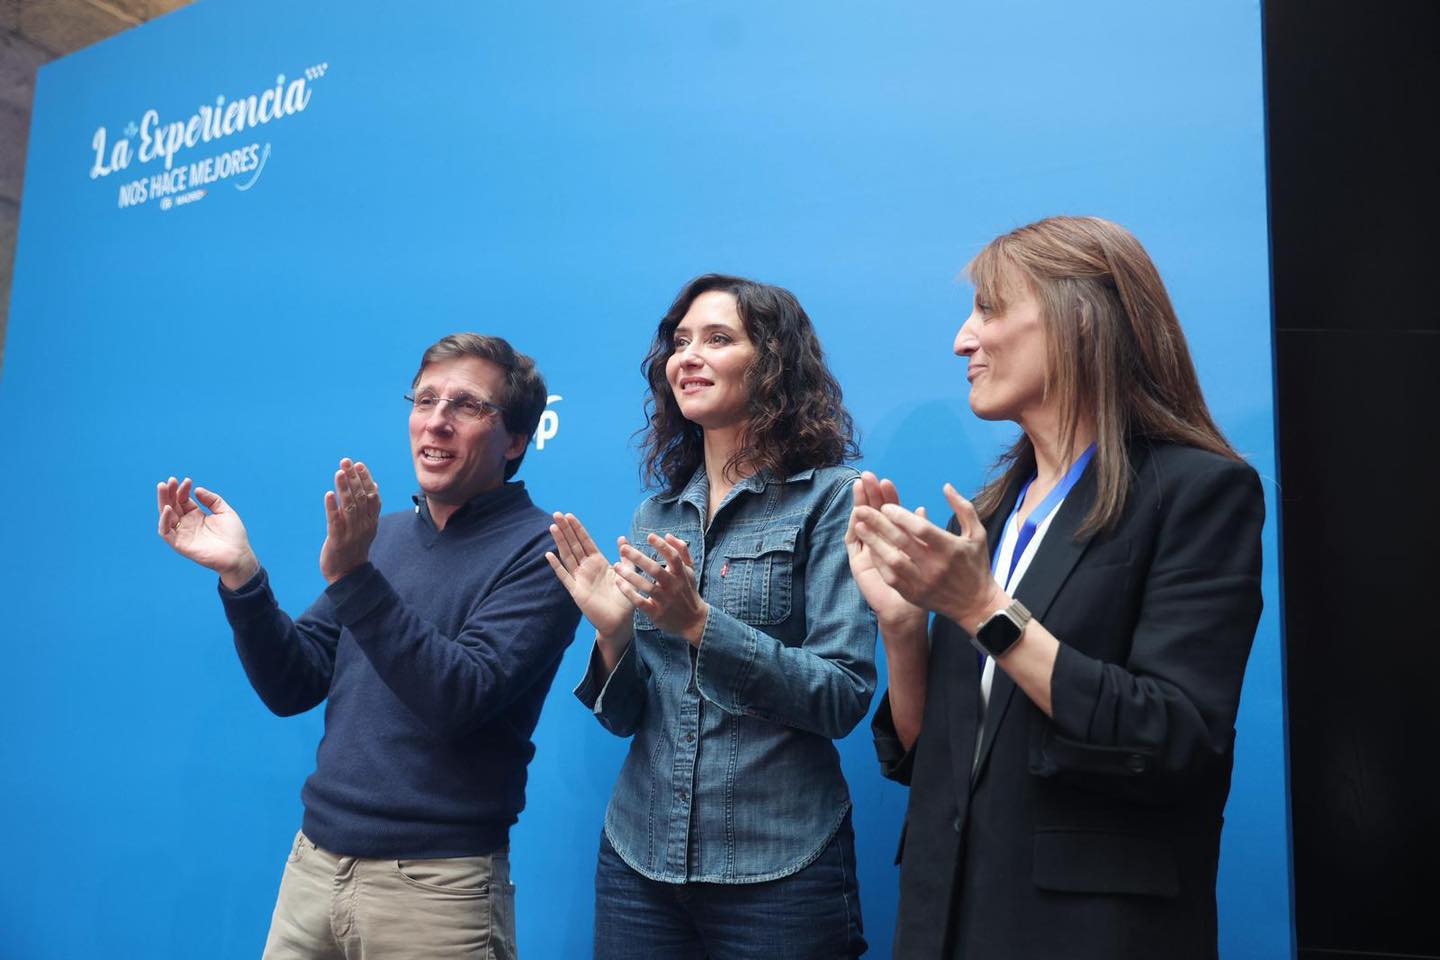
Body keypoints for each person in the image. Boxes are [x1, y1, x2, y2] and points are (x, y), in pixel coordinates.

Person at [847, 216, 1265, 959]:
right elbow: (929, 759)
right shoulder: (992, 514)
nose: (961, 340)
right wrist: (904, 627)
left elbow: (1174, 738)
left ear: (1081, 318)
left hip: (1086, 934)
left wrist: (983, 610)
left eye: (989, 309)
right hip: (944, 924)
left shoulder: (1198, 492)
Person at [155, 334, 581, 960]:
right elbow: (292, 684)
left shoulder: (543, 551)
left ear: (516, 439)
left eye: (466, 406)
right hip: (312, 870)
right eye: (426, 399)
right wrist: (242, 577)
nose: (436, 420)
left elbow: (458, 697)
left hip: (436, 891)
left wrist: (355, 577)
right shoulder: (383, 538)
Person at [546, 274, 875, 959]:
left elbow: (841, 696)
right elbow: (628, 716)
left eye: (717, 339)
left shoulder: (833, 501)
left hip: (779, 868)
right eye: (680, 341)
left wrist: (699, 625)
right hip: (639, 860)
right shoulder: (657, 515)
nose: (687, 356)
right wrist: (613, 635)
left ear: (775, 364)